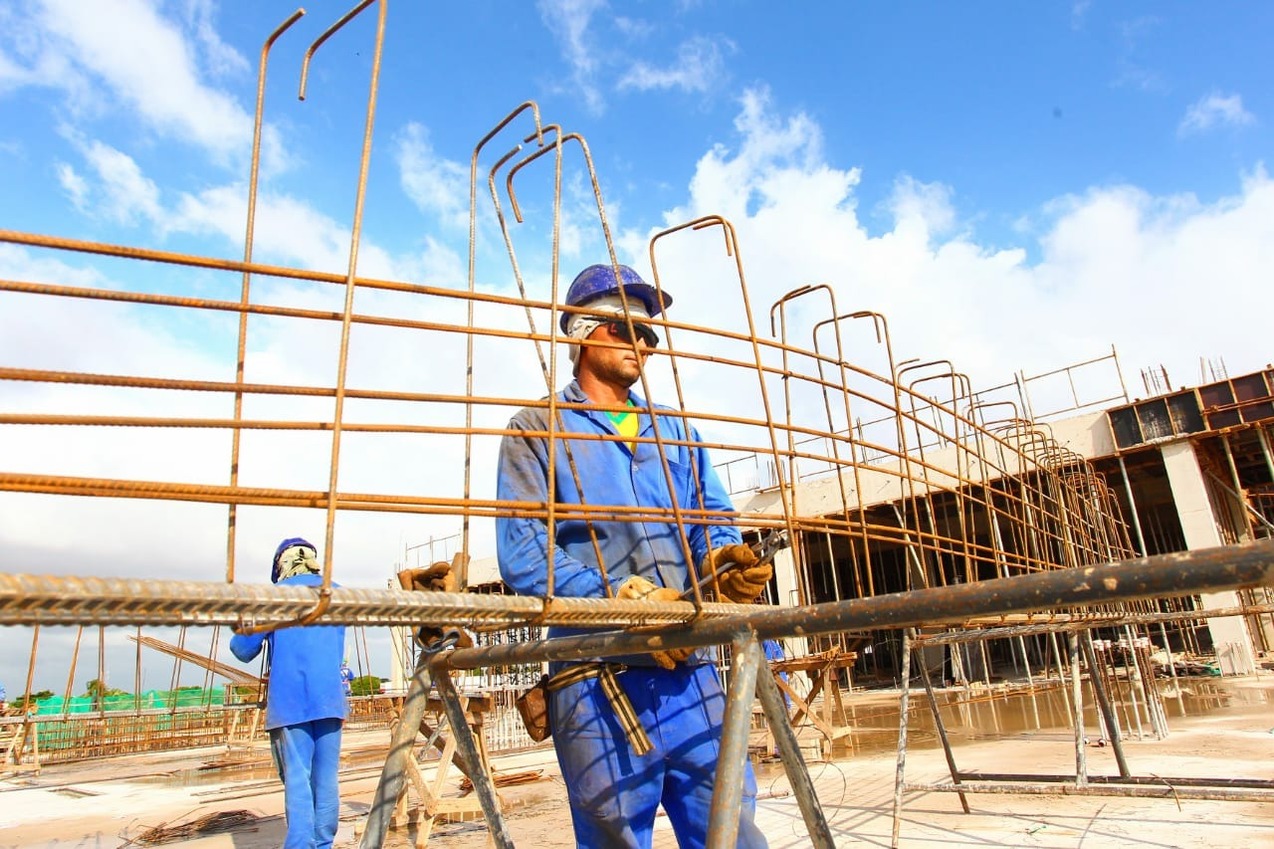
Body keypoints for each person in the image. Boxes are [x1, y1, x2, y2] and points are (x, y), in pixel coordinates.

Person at [496, 263, 773, 849]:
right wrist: (619, 596)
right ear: (581, 332)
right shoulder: (536, 430)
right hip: (599, 681)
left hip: (689, 672)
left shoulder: (675, 430)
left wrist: (721, 564)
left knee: (732, 831)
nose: (642, 344)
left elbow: (710, 519)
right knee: (614, 838)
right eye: (625, 329)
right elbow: (523, 552)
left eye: (649, 335)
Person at [230, 538, 347, 849]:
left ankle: (299, 844)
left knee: (298, 777)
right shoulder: (336, 593)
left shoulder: (274, 597)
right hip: (330, 698)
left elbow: (242, 650)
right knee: (326, 780)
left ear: (281, 565)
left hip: (291, 700)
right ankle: (323, 844)